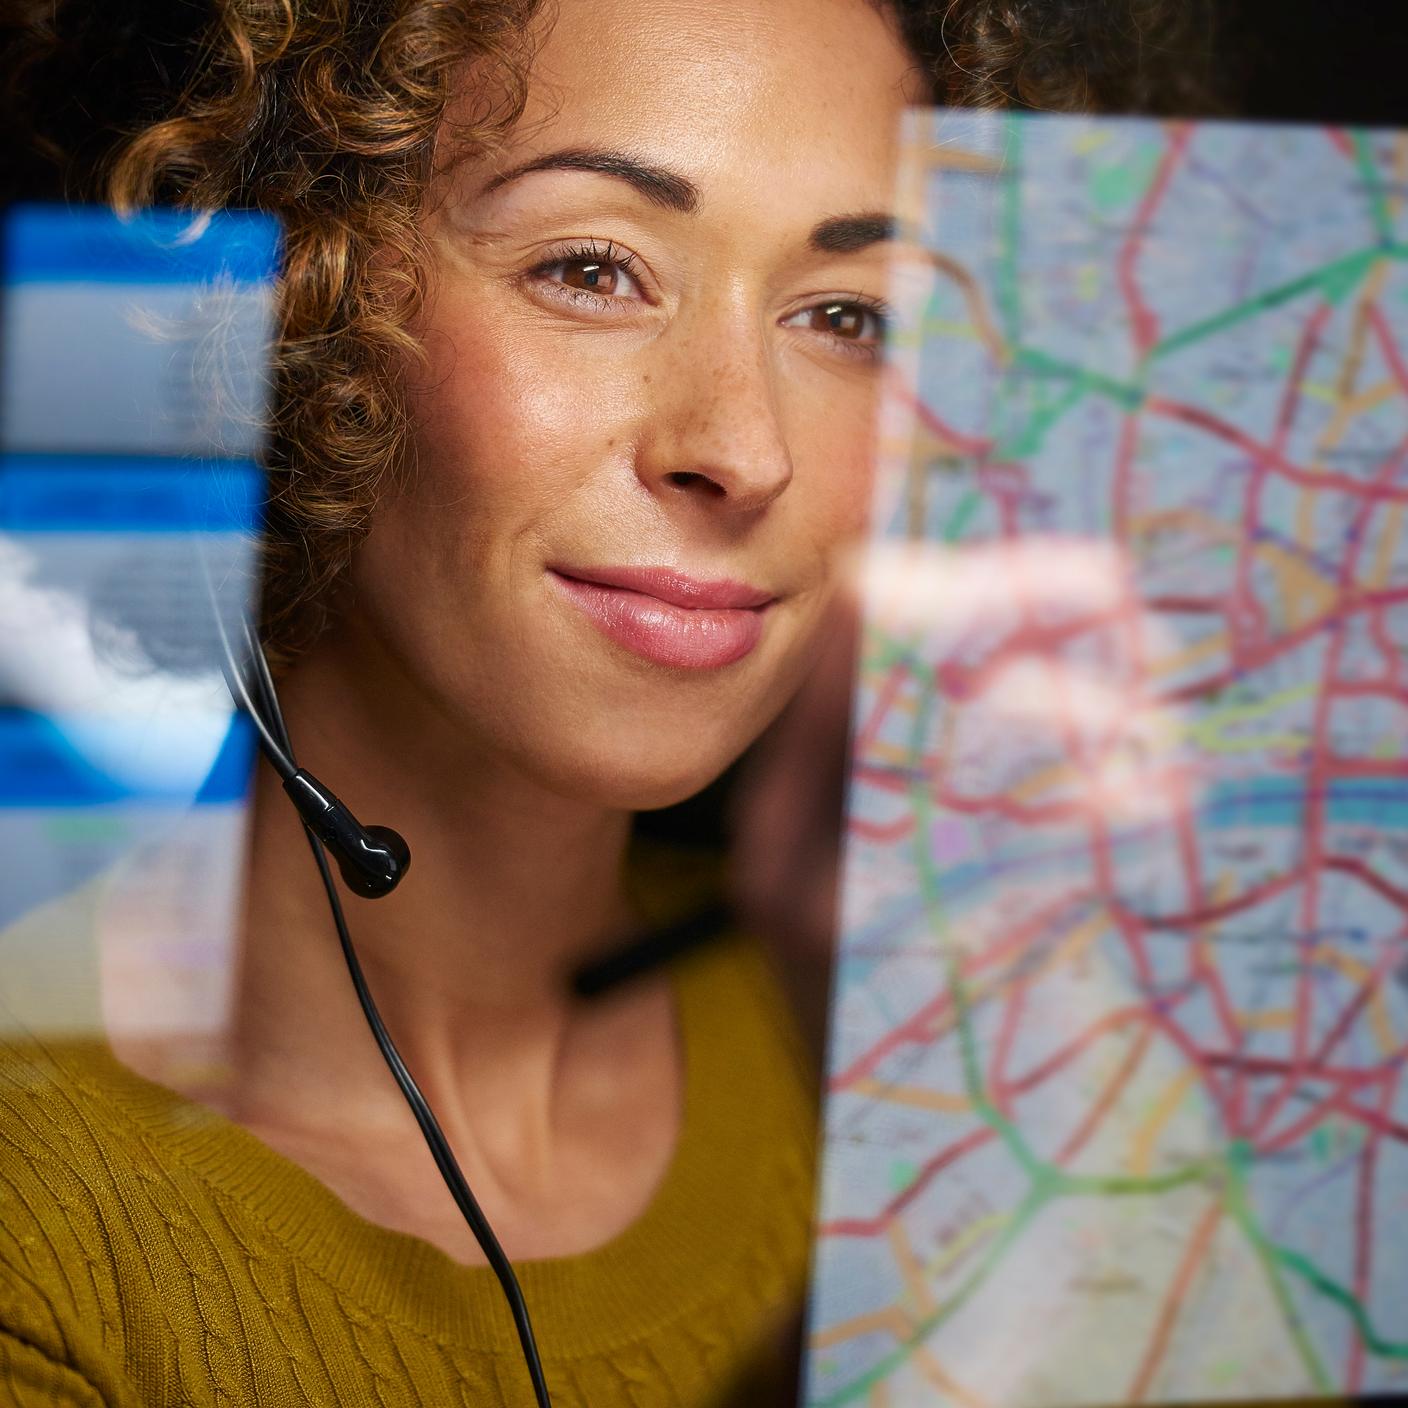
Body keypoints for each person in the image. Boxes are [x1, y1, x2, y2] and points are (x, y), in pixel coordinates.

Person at [0, 0, 1207, 1403]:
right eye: (591, 268)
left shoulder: (960, 1075)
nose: (743, 450)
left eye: (848, 316)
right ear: (282, 305)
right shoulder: (43, 1238)